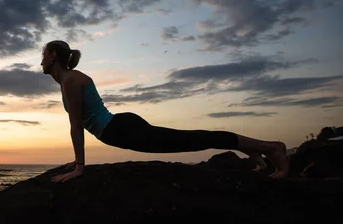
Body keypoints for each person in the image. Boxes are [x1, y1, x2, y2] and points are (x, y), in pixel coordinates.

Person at [40, 40, 289, 183]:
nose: (41, 60)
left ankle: (270, 148)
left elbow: (76, 125)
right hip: (120, 127)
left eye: (43, 54)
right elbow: (84, 119)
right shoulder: (67, 80)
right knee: (192, 139)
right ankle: (254, 151)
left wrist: (80, 168)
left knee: (193, 140)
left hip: (122, 130)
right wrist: (77, 160)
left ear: (52, 56)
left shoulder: (71, 81)